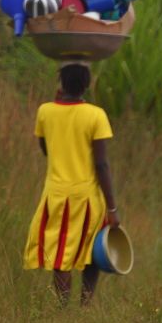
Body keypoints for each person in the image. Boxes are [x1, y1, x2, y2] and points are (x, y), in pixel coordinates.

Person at [23, 60, 120, 306]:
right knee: (92, 252)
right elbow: (101, 164)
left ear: (61, 83)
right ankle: (85, 305)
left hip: (55, 195)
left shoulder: (45, 111)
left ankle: (63, 308)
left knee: (59, 255)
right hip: (88, 197)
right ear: (86, 85)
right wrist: (112, 208)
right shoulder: (96, 115)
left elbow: (46, 149)